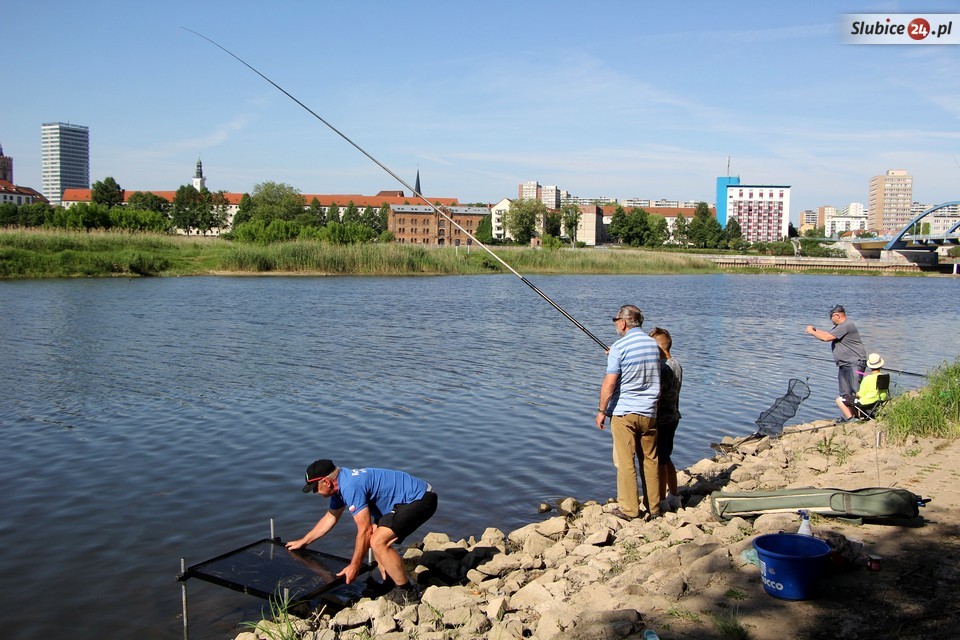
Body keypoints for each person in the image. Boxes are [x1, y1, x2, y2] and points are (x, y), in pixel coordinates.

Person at [286, 459, 437, 605]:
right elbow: (330, 518)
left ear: (326, 482)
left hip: (420, 498)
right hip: (400, 502)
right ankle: (390, 584)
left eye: (315, 488)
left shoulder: (350, 486)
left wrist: (354, 566)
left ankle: (407, 592)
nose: (315, 492)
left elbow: (364, 530)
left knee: (378, 541)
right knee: (375, 535)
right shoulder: (341, 486)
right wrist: (304, 541)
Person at [596, 304, 661, 521]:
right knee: (650, 460)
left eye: (616, 320)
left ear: (623, 322)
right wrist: (615, 354)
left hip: (625, 413)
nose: (615, 324)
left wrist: (601, 410)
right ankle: (655, 508)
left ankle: (630, 510)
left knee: (625, 463)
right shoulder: (653, 345)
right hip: (650, 412)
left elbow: (609, 383)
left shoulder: (619, 347)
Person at [650, 327, 682, 512]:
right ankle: (675, 496)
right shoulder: (676, 363)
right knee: (667, 457)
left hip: (661, 420)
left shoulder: (661, 368)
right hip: (674, 416)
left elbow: (657, 394)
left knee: (660, 461)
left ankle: (661, 500)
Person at [805, 304, 867, 396]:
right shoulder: (841, 326)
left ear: (837, 315)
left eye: (831, 317)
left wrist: (811, 332)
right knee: (845, 395)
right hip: (844, 364)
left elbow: (826, 338)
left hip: (854, 363)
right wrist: (815, 330)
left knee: (857, 392)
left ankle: (863, 406)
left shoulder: (846, 325)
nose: (830, 319)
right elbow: (828, 334)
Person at [836, 352, 887, 421]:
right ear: (881, 365)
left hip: (867, 403)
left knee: (839, 400)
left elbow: (860, 395)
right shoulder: (884, 377)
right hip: (879, 402)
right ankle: (859, 416)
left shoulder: (867, 379)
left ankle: (851, 419)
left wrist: (856, 394)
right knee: (851, 399)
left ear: (870, 366)